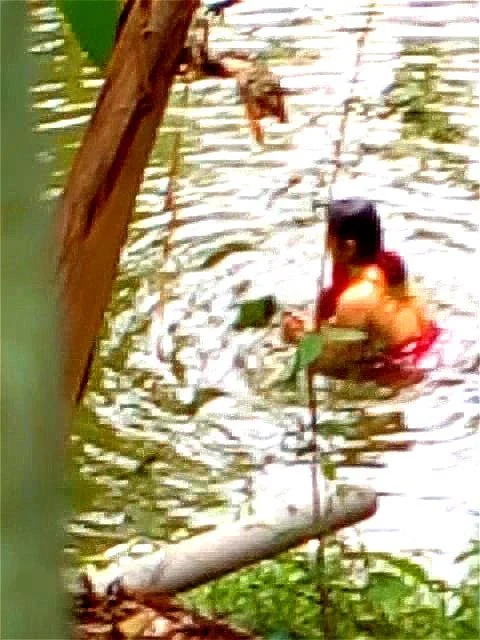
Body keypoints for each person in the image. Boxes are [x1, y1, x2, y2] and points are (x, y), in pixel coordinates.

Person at [281, 198, 437, 369]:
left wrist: (297, 338)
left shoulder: (355, 299)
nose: (326, 243)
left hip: (402, 373)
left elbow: (332, 362)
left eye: (329, 236)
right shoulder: (395, 272)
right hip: (431, 351)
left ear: (349, 247)